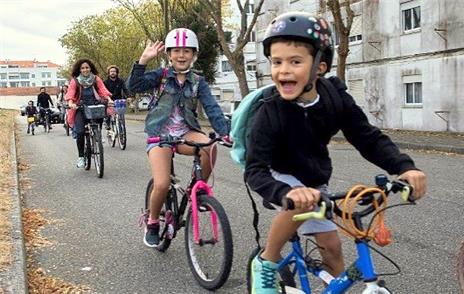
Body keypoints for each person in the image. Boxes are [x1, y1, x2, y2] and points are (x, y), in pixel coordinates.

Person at [245, 12, 427, 293]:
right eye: (277, 62)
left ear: (319, 66)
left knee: (333, 250)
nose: (283, 71)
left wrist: (405, 167)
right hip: (277, 174)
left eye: (295, 62)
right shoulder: (269, 111)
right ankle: (266, 262)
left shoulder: (334, 97)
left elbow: (367, 137)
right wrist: (285, 193)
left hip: (314, 178)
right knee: (301, 203)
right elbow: (255, 170)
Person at [127, 28, 231, 248]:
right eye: (176, 51)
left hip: (185, 132)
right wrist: (143, 60)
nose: (181, 55)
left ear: (194, 54)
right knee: (162, 183)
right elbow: (133, 87)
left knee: (209, 147)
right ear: (169, 55)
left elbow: (212, 108)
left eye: (187, 51)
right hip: (159, 136)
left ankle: (198, 188)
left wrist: (224, 132)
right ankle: (153, 221)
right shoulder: (161, 76)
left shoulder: (198, 81)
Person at [64, 59, 113, 168]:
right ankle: (81, 157)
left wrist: (109, 99)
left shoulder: (96, 79)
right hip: (80, 108)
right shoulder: (75, 81)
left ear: (90, 68)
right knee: (80, 132)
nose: (85, 69)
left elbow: (102, 90)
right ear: (79, 70)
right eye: (82, 68)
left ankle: (97, 135)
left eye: (87, 67)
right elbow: (71, 92)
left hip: (94, 106)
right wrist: (71, 103)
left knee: (101, 115)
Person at [104, 65, 129, 131]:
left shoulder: (121, 81)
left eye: (114, 71)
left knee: (120, 114)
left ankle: (121, 127)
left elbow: (125, 89)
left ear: (117, 72)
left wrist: (128, 97)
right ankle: (107, 122)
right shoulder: (105, 82)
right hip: (109, 100)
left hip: (118, 100)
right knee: (108, 113)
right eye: (111, 71)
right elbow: (103, 92)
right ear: (109, 73)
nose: (113, 73)